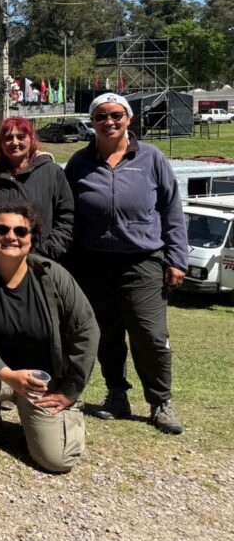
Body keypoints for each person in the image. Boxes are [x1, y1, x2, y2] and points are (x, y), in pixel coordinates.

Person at [64, 92, 188, 434]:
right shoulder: (79, 162)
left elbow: (171, 209)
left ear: (129, 118)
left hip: (142, 261)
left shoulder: (151, 158)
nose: (109, 122)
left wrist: (177, 258)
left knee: (150, 334)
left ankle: (160, 402)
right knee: (106, 333)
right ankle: (116, 394)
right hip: (92, 262)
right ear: (92, 122)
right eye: (101, 116)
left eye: (116, 115)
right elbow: (68, 213)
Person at [0, 201, 99, 473]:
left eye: (20, 231)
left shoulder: (52, 276)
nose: (11, 236)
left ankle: (66, 416)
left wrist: (70, 391)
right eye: (2, 229)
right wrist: (8, 375)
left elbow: (86, 330)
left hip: (41, 383)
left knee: (57, 461)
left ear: (32, 238)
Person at [0, 117, 73, 260]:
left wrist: (48, 250)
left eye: (21, 137)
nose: (14, 142)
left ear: (32, 139)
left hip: (41, 260)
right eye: (8, 138)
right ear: (0, 143)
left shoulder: (52, 172)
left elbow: (66, 217)